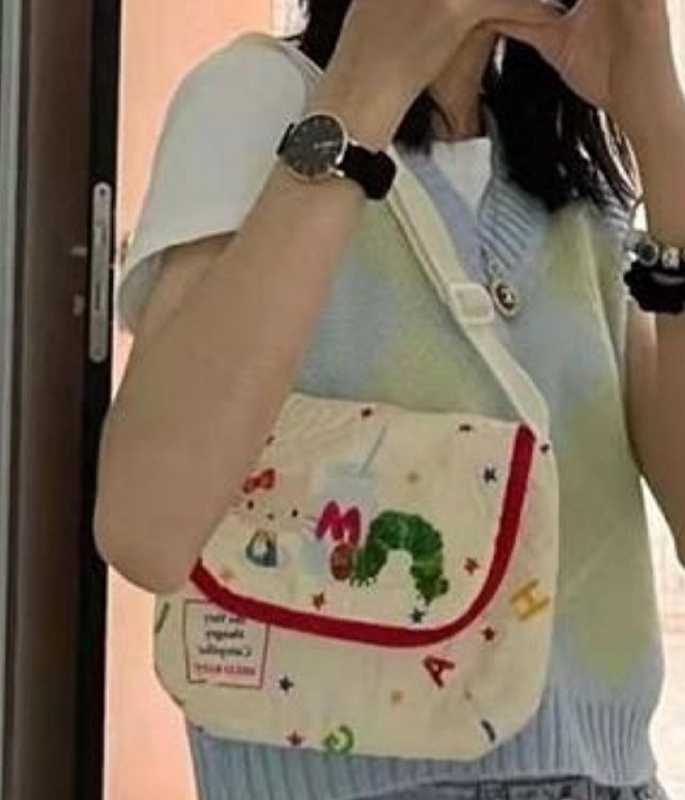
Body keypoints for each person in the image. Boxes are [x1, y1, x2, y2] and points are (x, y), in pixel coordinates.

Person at [94, 0, 685, 798]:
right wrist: (362, 92)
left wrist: (657, 119)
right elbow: (146, 527)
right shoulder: (256, 100)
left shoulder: (568, 175)